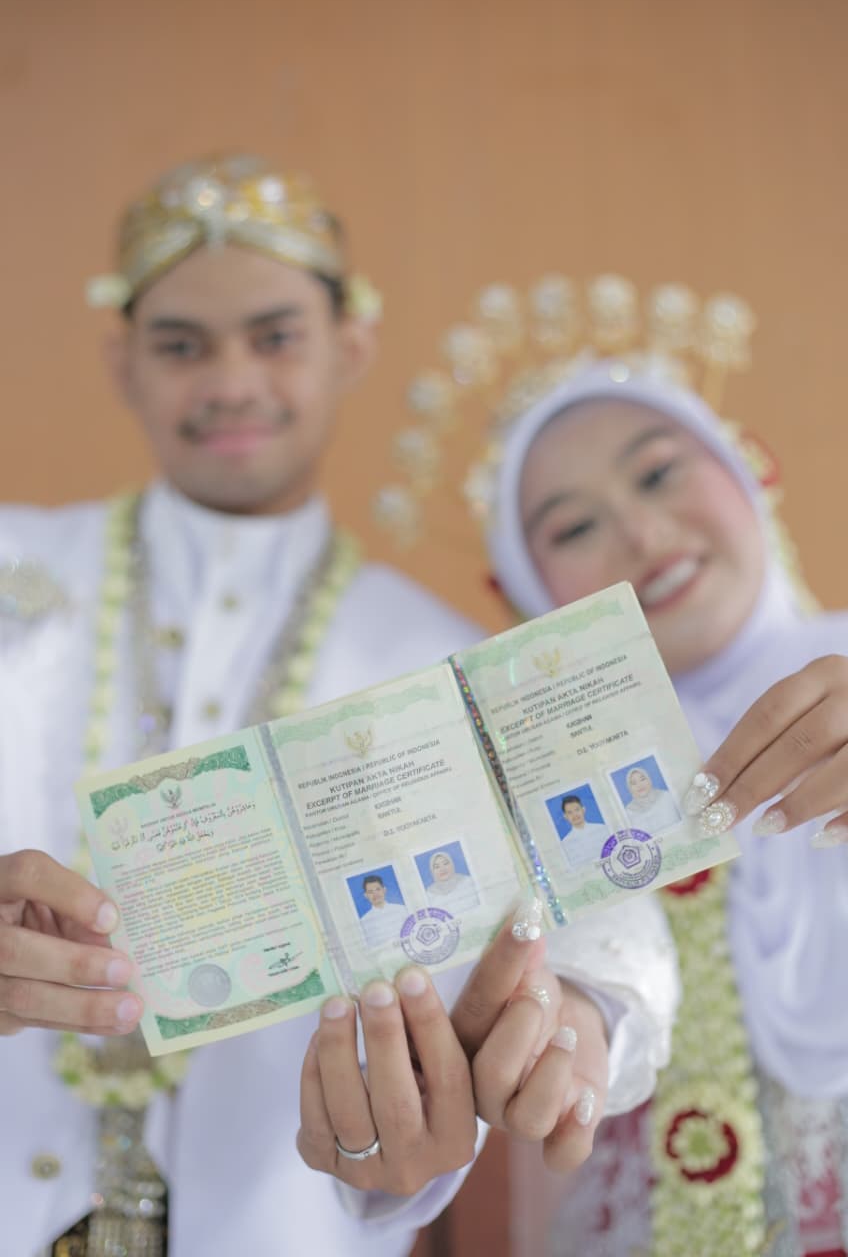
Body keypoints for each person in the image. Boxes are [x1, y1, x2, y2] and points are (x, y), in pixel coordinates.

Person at [0, 166, 679, 1257]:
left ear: (350, 345)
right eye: (181, 345)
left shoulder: (440, 663)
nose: (231, 382)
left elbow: (602, 907)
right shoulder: (12, 569)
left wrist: (580, 1014)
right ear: (122, 360)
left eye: (275, 338)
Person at [465, 280, 848, 1255]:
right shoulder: (530, 795)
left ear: (744, 470)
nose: (641, 535)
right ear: (530, 592)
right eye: (572, 528)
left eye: (658, 473)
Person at [621, 765, 681, 835]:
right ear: (630, 788)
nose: (639, 785)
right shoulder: (629, 812)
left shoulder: (666, 797)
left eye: (642, 779)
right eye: (634, 783)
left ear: (649, 780)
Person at [424, 849, 479, 914]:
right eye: (437, 867)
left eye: (445, 863)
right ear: (432, 871)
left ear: (452, 865)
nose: (442, 869)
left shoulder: (468, 881)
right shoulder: (429, 895)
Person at [360, 873, 407, 947]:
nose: (375, 894)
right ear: (366, 895)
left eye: (378, 889)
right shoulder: (363, 921)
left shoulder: (402, 909)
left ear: (384, 890)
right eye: (370, 892)